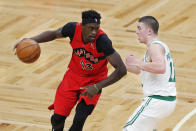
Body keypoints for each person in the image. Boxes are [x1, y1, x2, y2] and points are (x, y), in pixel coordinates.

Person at [14, 10, 127, 131]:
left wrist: (97, 87)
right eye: (91, 28)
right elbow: (53, 34)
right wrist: (31, 40)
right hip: (73, 76)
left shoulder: (102, 41)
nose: (94, 32)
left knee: (78, 122)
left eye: (97, 28)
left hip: (93, 80)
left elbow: (121, 69)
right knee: (57, 119)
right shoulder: (72, 29)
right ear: (82, 26)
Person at [123, 16, 177, 131]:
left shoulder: (155, 46)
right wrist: (113, 61)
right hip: (165, 101)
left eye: (139, 28)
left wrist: (137, 62)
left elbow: (160, 67)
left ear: (149, 31)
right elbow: (138, 70)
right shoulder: (154, 47)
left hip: (157, 100)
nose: (136, 32)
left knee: (129, 129)